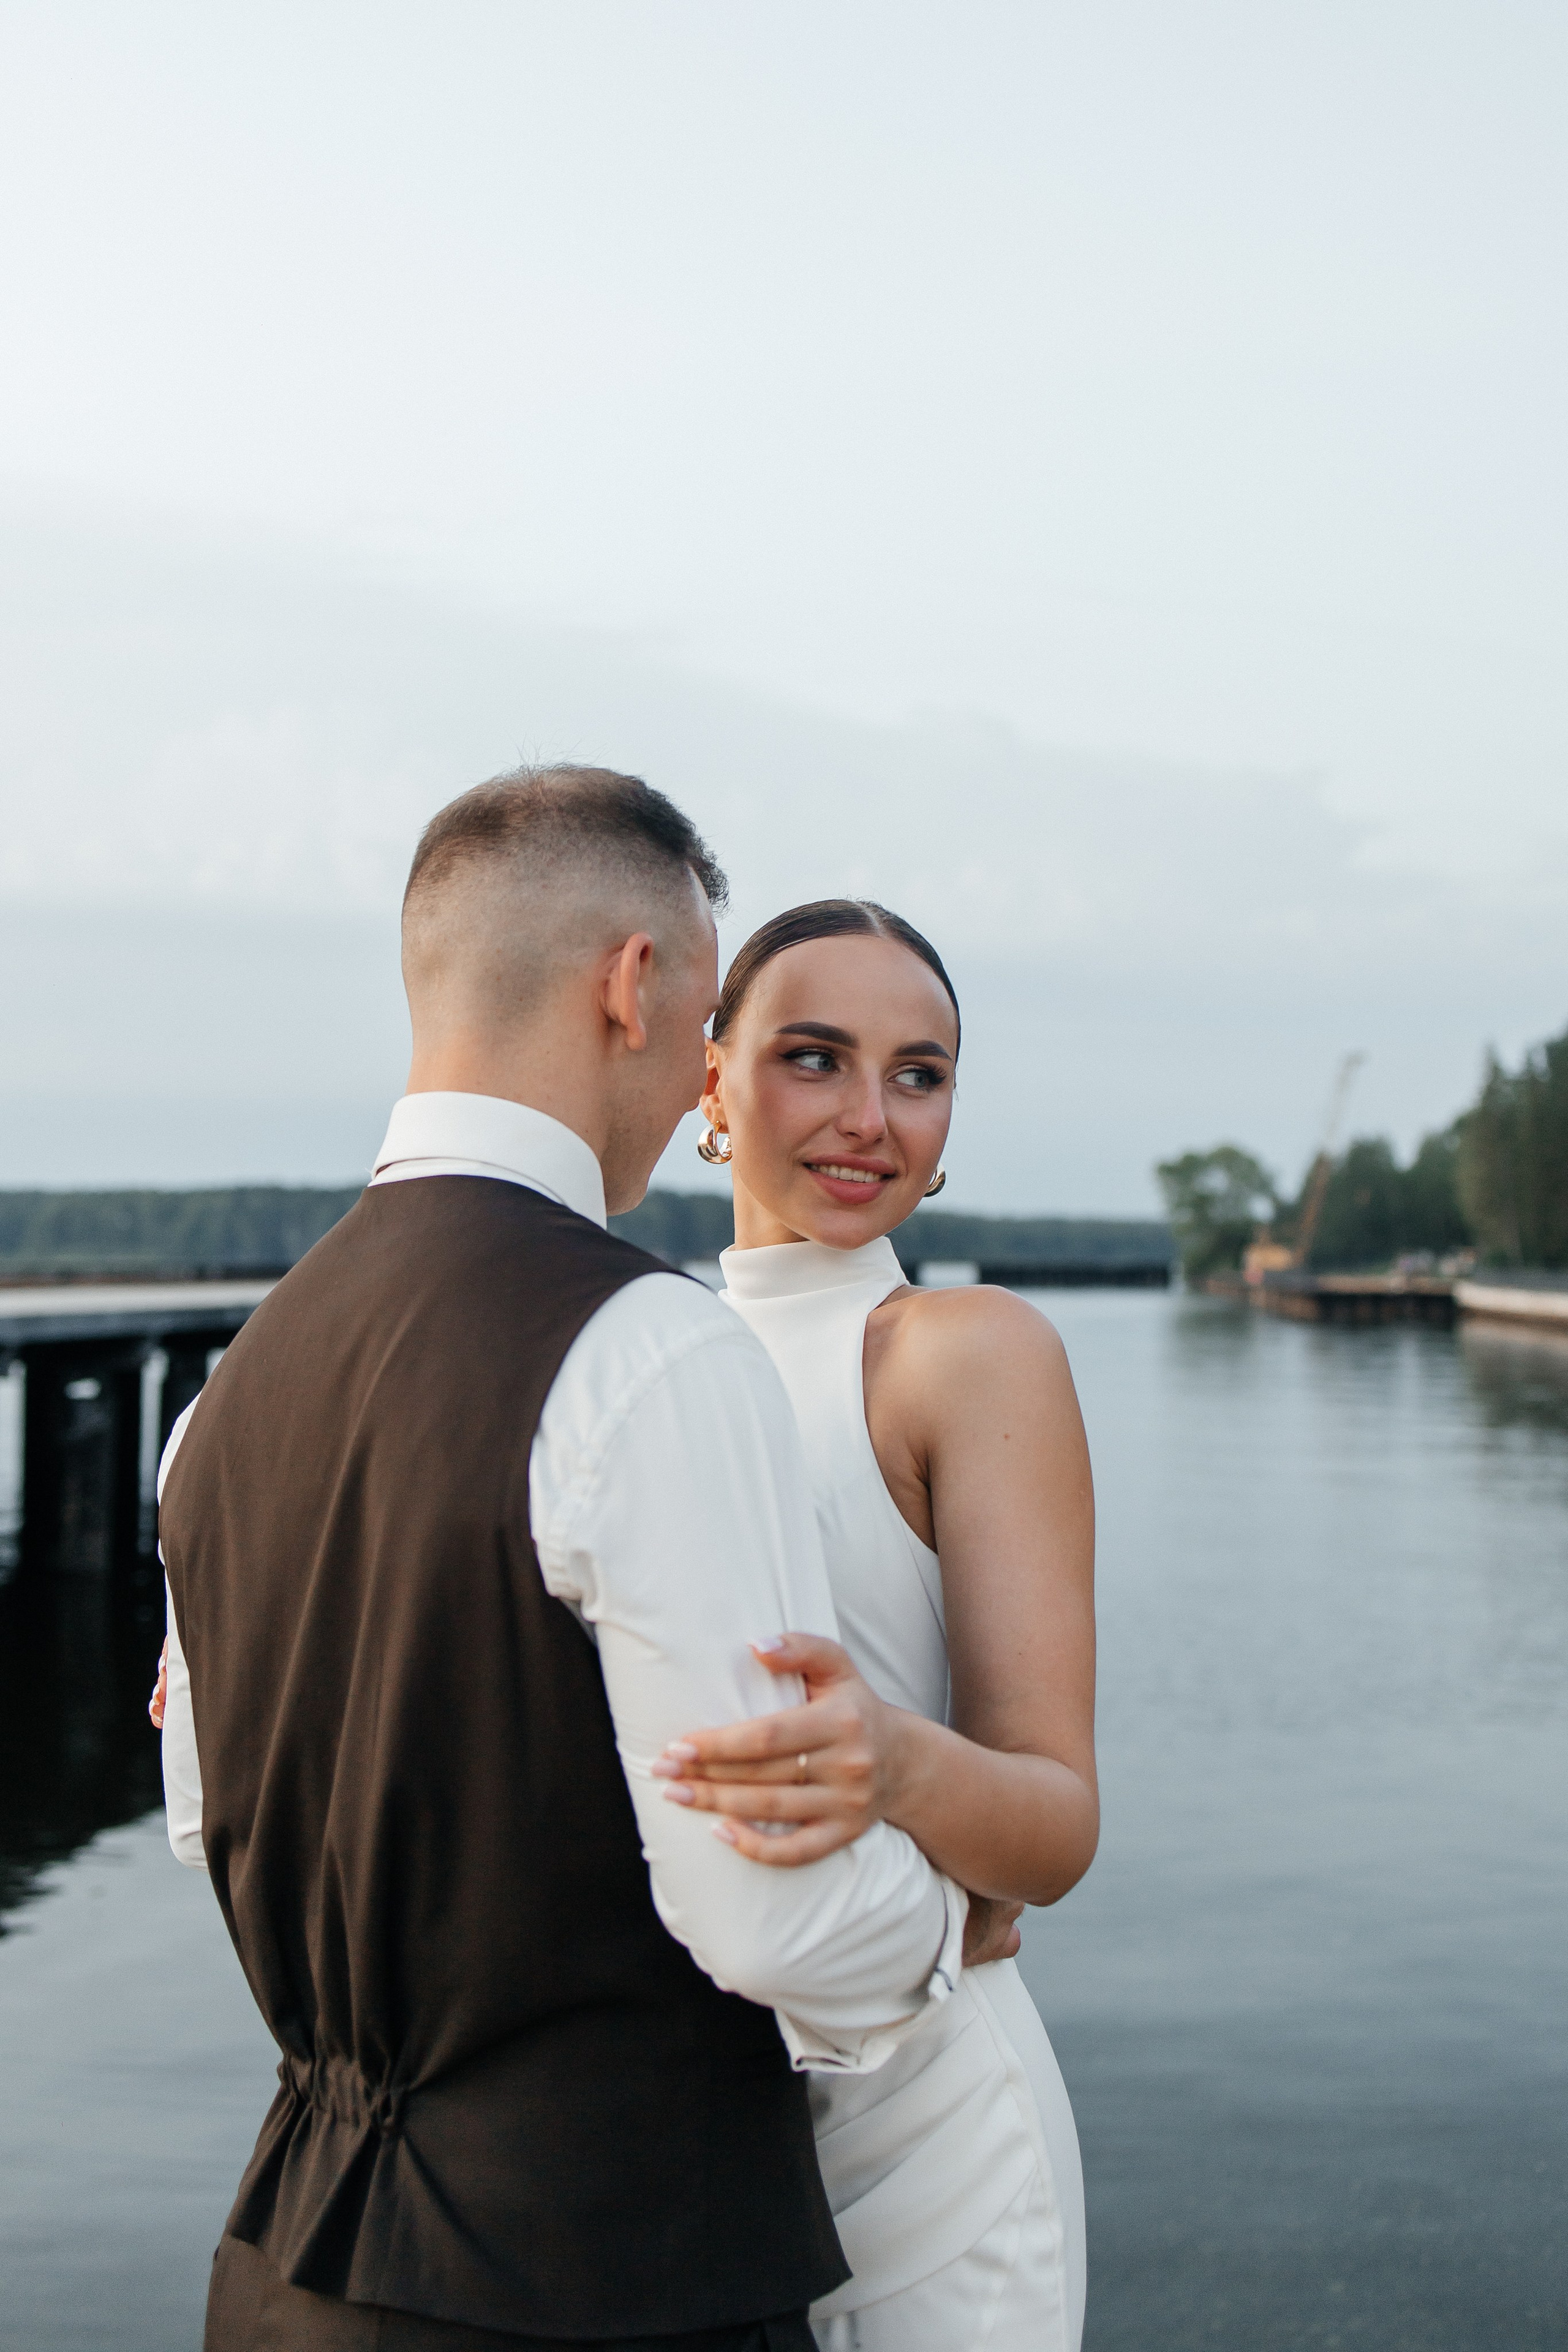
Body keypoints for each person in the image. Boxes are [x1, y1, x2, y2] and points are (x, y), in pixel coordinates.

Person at [154, 771, 976, 2352]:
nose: (694, 1089)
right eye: (704, 1029)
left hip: (284, 2278)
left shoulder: (221, 1398)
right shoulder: (650, 1349)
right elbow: (772, 1925)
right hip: (603, 2284)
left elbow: (213, 1823)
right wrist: (952, 1912)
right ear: (636, 985)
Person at [648, 899, 1098, 2352]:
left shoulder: (963, 1355)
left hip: (929, 2135)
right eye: (813, 1058)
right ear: (708, 1080)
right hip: (685, 2131)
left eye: (917, 1073)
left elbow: (1053, 1828)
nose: (867, 1118)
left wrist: (894, 1769)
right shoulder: (639, 1354)